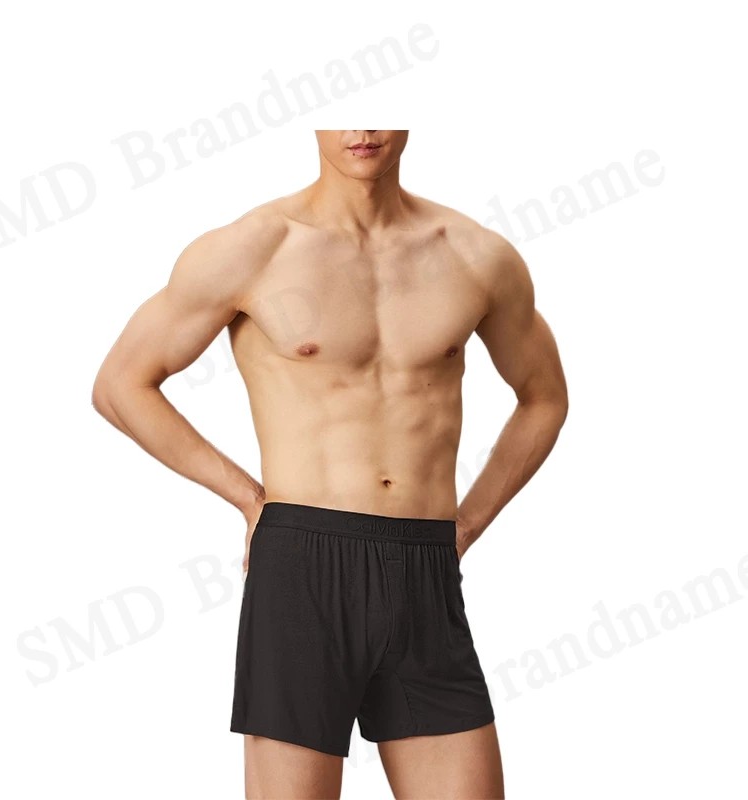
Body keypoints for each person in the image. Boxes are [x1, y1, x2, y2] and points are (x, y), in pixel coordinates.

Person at [91, 130, 568, 799]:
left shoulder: (474, 254)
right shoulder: (254, 248)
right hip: (302, 567)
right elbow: (121, 385)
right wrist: (248, 498)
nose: (362, 131)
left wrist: (468, 524)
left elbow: (544, 398)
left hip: (426, 568)